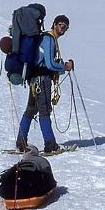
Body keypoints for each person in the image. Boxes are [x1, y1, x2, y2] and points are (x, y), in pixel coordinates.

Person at [15, 14, 74, 153]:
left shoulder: (45, 38)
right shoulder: (49, 39)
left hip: (35, 80)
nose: (63, 29)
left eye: (66, 27)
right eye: (61, 25)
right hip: (42, 81)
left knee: (30, 110)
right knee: (44, 111)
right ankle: (50, 145)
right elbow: (49, 63)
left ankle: (20, 142)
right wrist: (64, 67)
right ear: (54, 24)